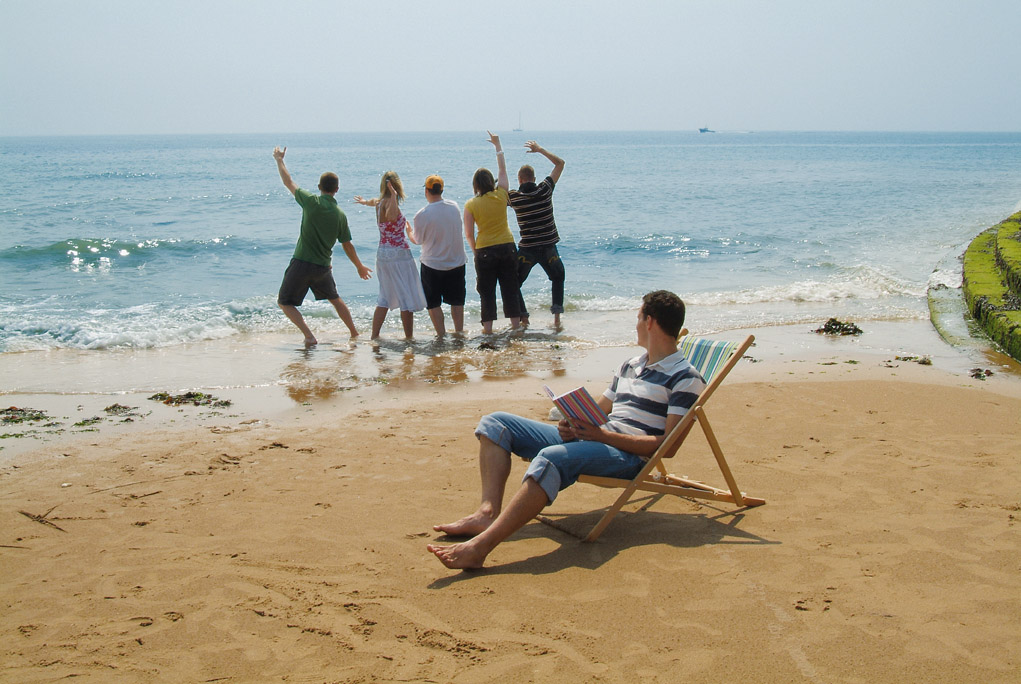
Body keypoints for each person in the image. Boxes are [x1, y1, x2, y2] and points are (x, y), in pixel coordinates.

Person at [428, 290, 706, 569]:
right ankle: (486, 512)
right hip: (597, 438)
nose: (635, 324)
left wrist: (602, 435)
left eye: (638, 317)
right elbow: (599, 412)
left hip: (629, 457)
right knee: (495, 423)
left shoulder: (686, 378)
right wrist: (573, 424)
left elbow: (667, 448)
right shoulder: (630, 365)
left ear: (649, 322)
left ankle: (481, 546)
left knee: (552, 457)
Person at [273, 146, 372, 346]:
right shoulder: (340, 215)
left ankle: (309, 336)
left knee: (284, 302)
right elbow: (347, 245)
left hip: (301, 263)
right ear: (337, 189)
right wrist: (359, 267)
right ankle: (354, 333)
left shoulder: (311, 202)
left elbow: (288, 182)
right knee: (335, 299)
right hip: (323, 267)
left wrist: (279, 160)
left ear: (319, 186)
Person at [354, 172, 428, 339]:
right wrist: (394, 197)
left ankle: (375, 336)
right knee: (406, 297)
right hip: (398, 255)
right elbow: (392, 216)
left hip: (383, 254)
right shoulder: (388, 202)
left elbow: (371, 202)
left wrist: (364, 201)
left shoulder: (379, 202)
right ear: (397, 186)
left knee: (385, 296)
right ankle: (409, 338)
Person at [463, 131, 522, 334]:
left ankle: (488, 330)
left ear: (475, 185)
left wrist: (475, 251)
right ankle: (515, 327)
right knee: (510, 289)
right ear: (492, 181)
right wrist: (498, 146)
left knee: (487, 293)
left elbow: (469, 234)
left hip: (485, 249)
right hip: (506, 246)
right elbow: (503, 169)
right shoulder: (501, 195)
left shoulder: (471, 204)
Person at [508, 141, 567, 328]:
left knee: (513, 282)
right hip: (548, 246)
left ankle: (524, 318)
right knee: (558, 276)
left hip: (528, 250)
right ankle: (557, 319)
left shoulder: (514, 197)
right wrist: (540, 150)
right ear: (533, 178)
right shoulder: (545, 189)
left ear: (519, 179)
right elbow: (560, 164)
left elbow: (498, 194)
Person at [409, 175, 466, 336]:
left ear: (427, 191)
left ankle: (441, 335)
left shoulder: (421, 214)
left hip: (432, 264)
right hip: (456, 262)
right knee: (457, 301)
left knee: (433, 303)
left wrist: (409, 232)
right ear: (441, 190)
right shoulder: (454, 206)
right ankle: (459, 333)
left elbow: (417, 240)